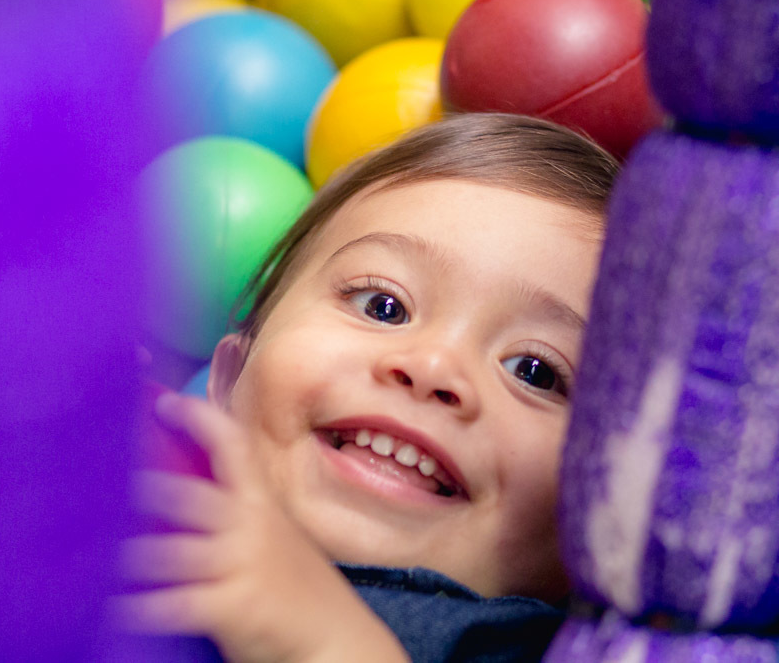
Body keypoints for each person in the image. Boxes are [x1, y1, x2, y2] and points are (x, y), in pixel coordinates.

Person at [120, 113, 620, 661]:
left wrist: (331, 646)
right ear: (230, 378)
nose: (432, 367)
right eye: (383, 306)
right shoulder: (132, 509)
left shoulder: (544, 649)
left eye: (534, 370)